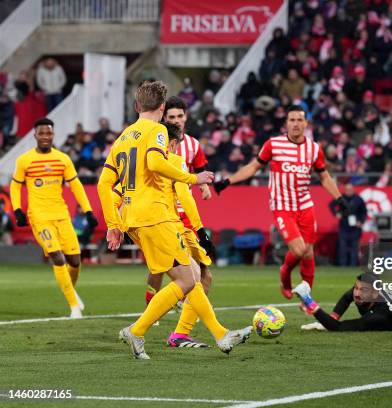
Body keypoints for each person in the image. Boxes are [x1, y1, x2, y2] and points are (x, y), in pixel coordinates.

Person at [97, 80, 250, 359]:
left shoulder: (123, 137)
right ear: (162, 107)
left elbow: (103, 184)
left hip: (133, 218)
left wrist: (113, 225)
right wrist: (194, 177)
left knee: (190, 274)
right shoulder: (157, 131)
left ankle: (220, 334)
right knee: (187, 280)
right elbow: (156, 163)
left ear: (136, 106)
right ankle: (138, 330)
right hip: (155, 215)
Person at [214, 105, 349, 298]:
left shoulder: (314, 149)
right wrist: (228, 181)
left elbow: (325, 177)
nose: (295, 124)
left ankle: (306, 297)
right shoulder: (273, 145)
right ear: (286, 123)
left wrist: (339, 198)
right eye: (292, 120)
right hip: (282, 206)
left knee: (309, 252)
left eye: (299, 120)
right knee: (299, 249)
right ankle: (285, 274)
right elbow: (253, 167)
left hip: (305, 205)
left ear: (306, 123)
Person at [10, 118, 97, 318]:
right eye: (41, 133)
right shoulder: (24, 160)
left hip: (61, 215)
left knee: (75, 261)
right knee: (57, 257)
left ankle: (70, 291)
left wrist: (89, 210)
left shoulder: (62, 159)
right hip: (39, 216)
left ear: (53, 135)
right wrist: (17, 210)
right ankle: (74, 307)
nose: (45, 137)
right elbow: (15, 186)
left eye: (48, 133)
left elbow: (76, 185)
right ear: (35, 135)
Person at [143, 96, 214, 308]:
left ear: (186, 117)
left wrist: (203, 187)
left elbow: (199, 170)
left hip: (185, 214)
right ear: (164, 117)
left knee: (201, 270)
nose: (175, 120)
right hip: (162, 212)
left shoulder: (193, 145)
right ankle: (152, 306)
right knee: (159, 268)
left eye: (179, 116)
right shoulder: (155, 141)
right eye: (171, 116)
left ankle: (183, 308)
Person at [329, 183, 367, 266]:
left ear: (353, 190)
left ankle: (353, 265)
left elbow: (364, 212)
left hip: (355, 227)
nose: (348, 191)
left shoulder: (358, 199)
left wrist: (361, 221)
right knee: (343, 247)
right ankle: (343, 265)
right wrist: (336, 213)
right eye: (347, 190)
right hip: (344, 226)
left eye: (350, 190)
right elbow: (331, 205)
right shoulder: (341, 198)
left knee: (354, 248)